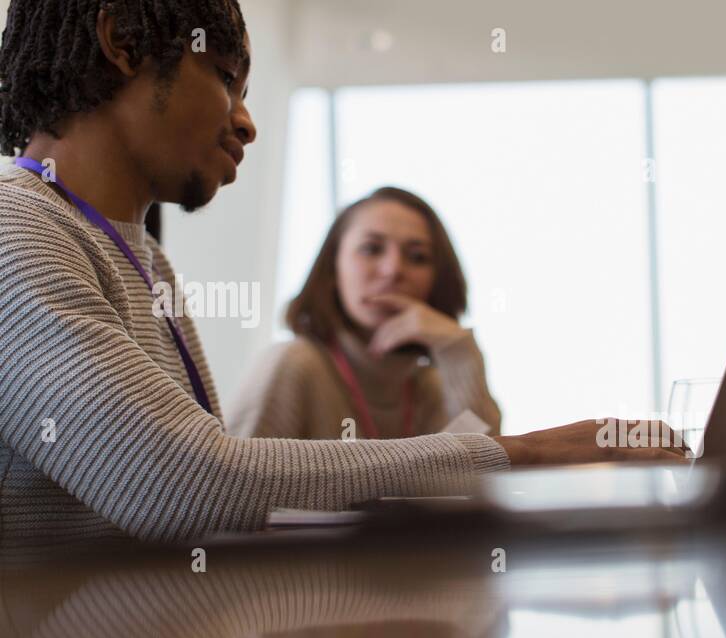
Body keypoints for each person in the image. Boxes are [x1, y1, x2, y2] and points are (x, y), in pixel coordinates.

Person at [0, 0, 685, 547]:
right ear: (122, 41)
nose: (246, 122)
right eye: (226, 79)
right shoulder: (15, 229)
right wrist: (528, 453)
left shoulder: (142, 259)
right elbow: (182, 484)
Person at [230, 187, 504, 442]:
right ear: (333, 270)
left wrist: (458, 349)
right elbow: (231, 488)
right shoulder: (294, 365)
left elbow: (481, 473)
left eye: (418, 257)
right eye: (372, 249)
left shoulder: (429, 386)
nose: (393, 269)